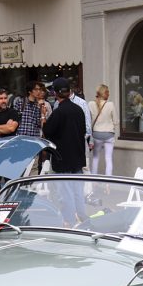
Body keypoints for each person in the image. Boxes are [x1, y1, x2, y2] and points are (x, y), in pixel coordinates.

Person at [43, 77, 87, 225]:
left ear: (55, 93)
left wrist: (43, 118)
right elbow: (83, 131)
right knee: (78, 193)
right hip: (78, 158)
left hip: (63, 160)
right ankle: (83, 219)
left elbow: (47, 132)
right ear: (69, 92)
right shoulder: (79, 109)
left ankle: (69, 222)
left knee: (66, 195)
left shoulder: (59, 112)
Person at [88, 84, 117, 175]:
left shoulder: (91, 104)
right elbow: (115, 121)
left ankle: (94, 181)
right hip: (109, 134)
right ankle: (108, 183)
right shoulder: (110, 105)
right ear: (104, 93)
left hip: (96, 134)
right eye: (107, 92)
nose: (109, 94)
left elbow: (88, 120)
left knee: (95, 158)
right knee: (108, 159)